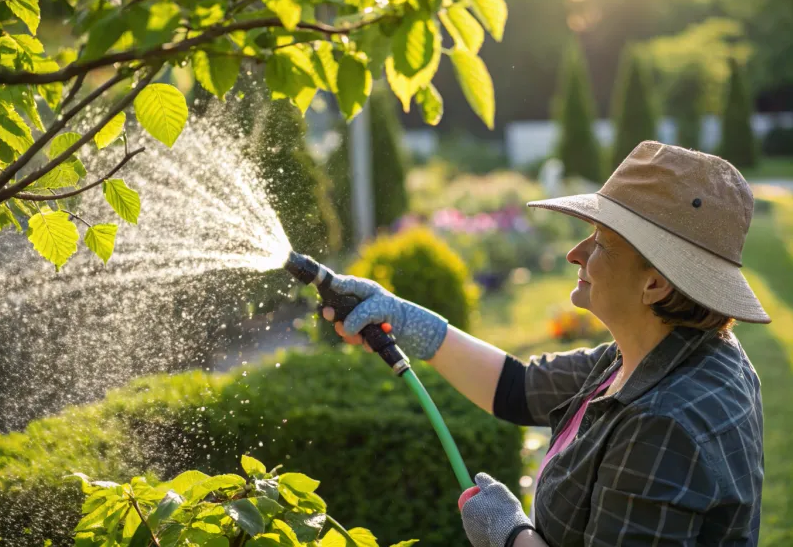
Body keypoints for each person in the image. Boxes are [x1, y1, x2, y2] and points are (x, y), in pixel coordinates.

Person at [322, 141, 768, 547]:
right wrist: (404, 317)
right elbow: (517, 388)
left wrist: (509, 535)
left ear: (654, 284)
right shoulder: (662, 352)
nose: (576, 252)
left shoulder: (663, 425)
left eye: (602, 242)